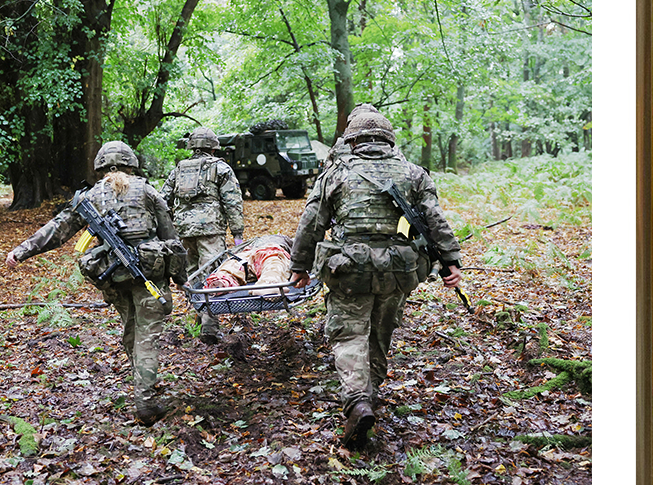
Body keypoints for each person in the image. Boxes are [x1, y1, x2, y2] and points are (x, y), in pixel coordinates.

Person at [288, 112, 463, 448]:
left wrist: (299, 265)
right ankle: (370, 393)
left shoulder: (335, 172)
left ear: (352, 140)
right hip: (398, 270)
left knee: (349, 333)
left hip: (349, 270)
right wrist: (450, 260)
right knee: (381, 332)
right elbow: (434, 219)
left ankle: (357, 400)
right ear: (388, 139)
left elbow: (312, 221)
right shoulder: (413, 173)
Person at [6, 141, 186, 426]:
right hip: (150, 275)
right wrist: (180, 277)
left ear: (100, 168)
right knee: (146, 337)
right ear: (132, 165)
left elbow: (58, 228)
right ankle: (146, 401)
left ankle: (143, 390)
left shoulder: (91, 197)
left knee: (131, 333)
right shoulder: (149, 192)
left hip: (114, 279)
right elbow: (171, 239)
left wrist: (22, 250)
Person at [162, 126, 245, 344]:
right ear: (213, 148)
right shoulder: (221, 168)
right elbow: (233, 202)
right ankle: (209, 326)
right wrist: (237, 233)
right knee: (212, 275)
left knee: (192, 274)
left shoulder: (180, 168)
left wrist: (171, 226)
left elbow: (163, 200)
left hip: (184, 231)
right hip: (210, 230)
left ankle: (199, 315)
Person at [203, 235, 293, 289]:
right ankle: (270, 283)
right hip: (265, 250)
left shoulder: (255, 240)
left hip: (247, 254)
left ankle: (222, 280)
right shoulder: (285, 240)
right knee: (272, 261)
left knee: (234, 265)